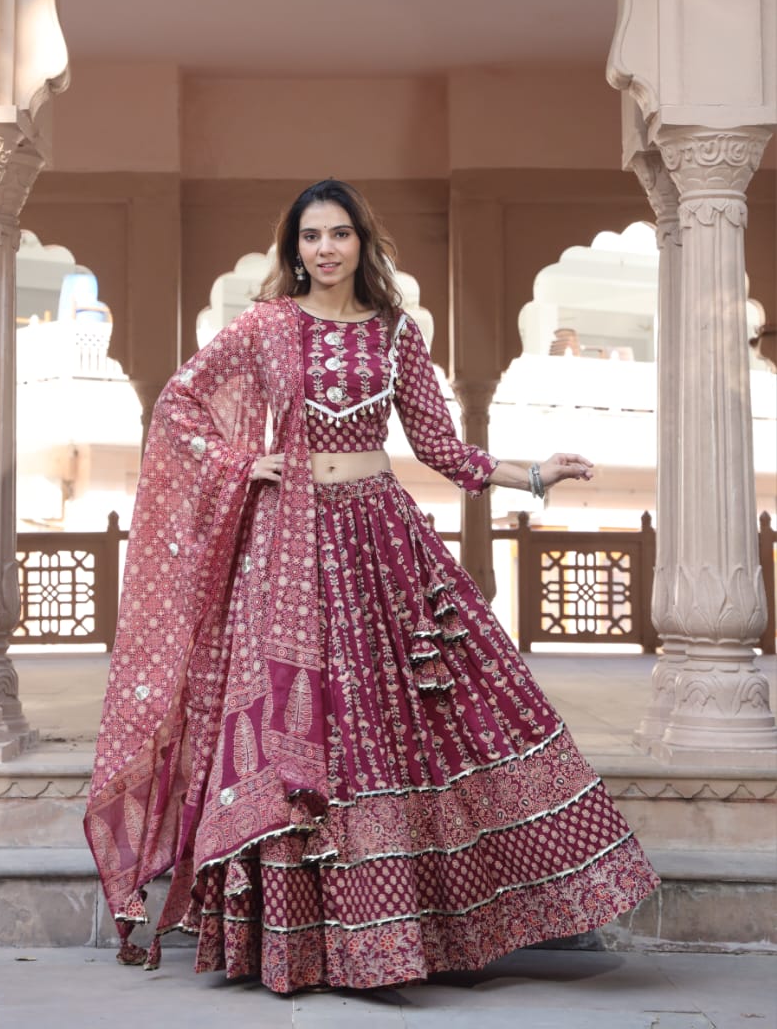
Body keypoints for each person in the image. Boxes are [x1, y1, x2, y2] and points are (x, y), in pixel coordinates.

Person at [85, 179, 658, 992]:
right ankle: (294, 943)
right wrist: (249, 464)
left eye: (339, 234)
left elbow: (438, 445)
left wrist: (529, 472)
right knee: (300, 730)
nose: (324, 249)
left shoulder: (395, 334)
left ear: (362, 245)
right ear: (294, 250)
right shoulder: (264, 328)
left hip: (377, 537)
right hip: (287, 548)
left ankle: (397, 937)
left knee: (392, 723)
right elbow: (179, 408)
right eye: (310, 237)